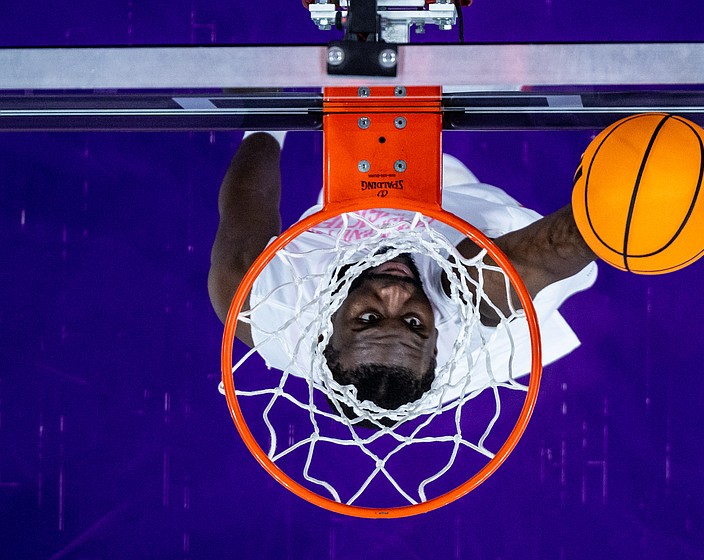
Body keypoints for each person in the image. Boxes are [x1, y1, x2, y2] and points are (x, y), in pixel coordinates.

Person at [208, 131, 598, 415]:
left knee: (356, 164)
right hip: (464, 216)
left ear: (323, 329)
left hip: (350, 219)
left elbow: (246, 203)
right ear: (436, 339)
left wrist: (268, 116)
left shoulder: (263, 302)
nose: (396, 294)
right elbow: (558, 246)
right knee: (490, 246)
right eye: (413, 322)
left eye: (370, 318)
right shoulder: (472, 305)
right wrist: (629, 206)